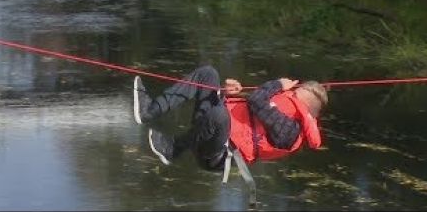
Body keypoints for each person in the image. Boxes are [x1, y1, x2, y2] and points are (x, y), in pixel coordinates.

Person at [132, 65, 329, 172]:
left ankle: (173, 148)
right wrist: (228, 94)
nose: (290, 94)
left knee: (219, 115)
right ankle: (149, 111)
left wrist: (277, 83)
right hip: (213, 131)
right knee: (208, 74)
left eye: (295, 93)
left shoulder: (291, 132)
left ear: (304, 107)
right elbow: (251, 113)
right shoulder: (283, 111)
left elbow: (258, 101)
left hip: (218, 155)